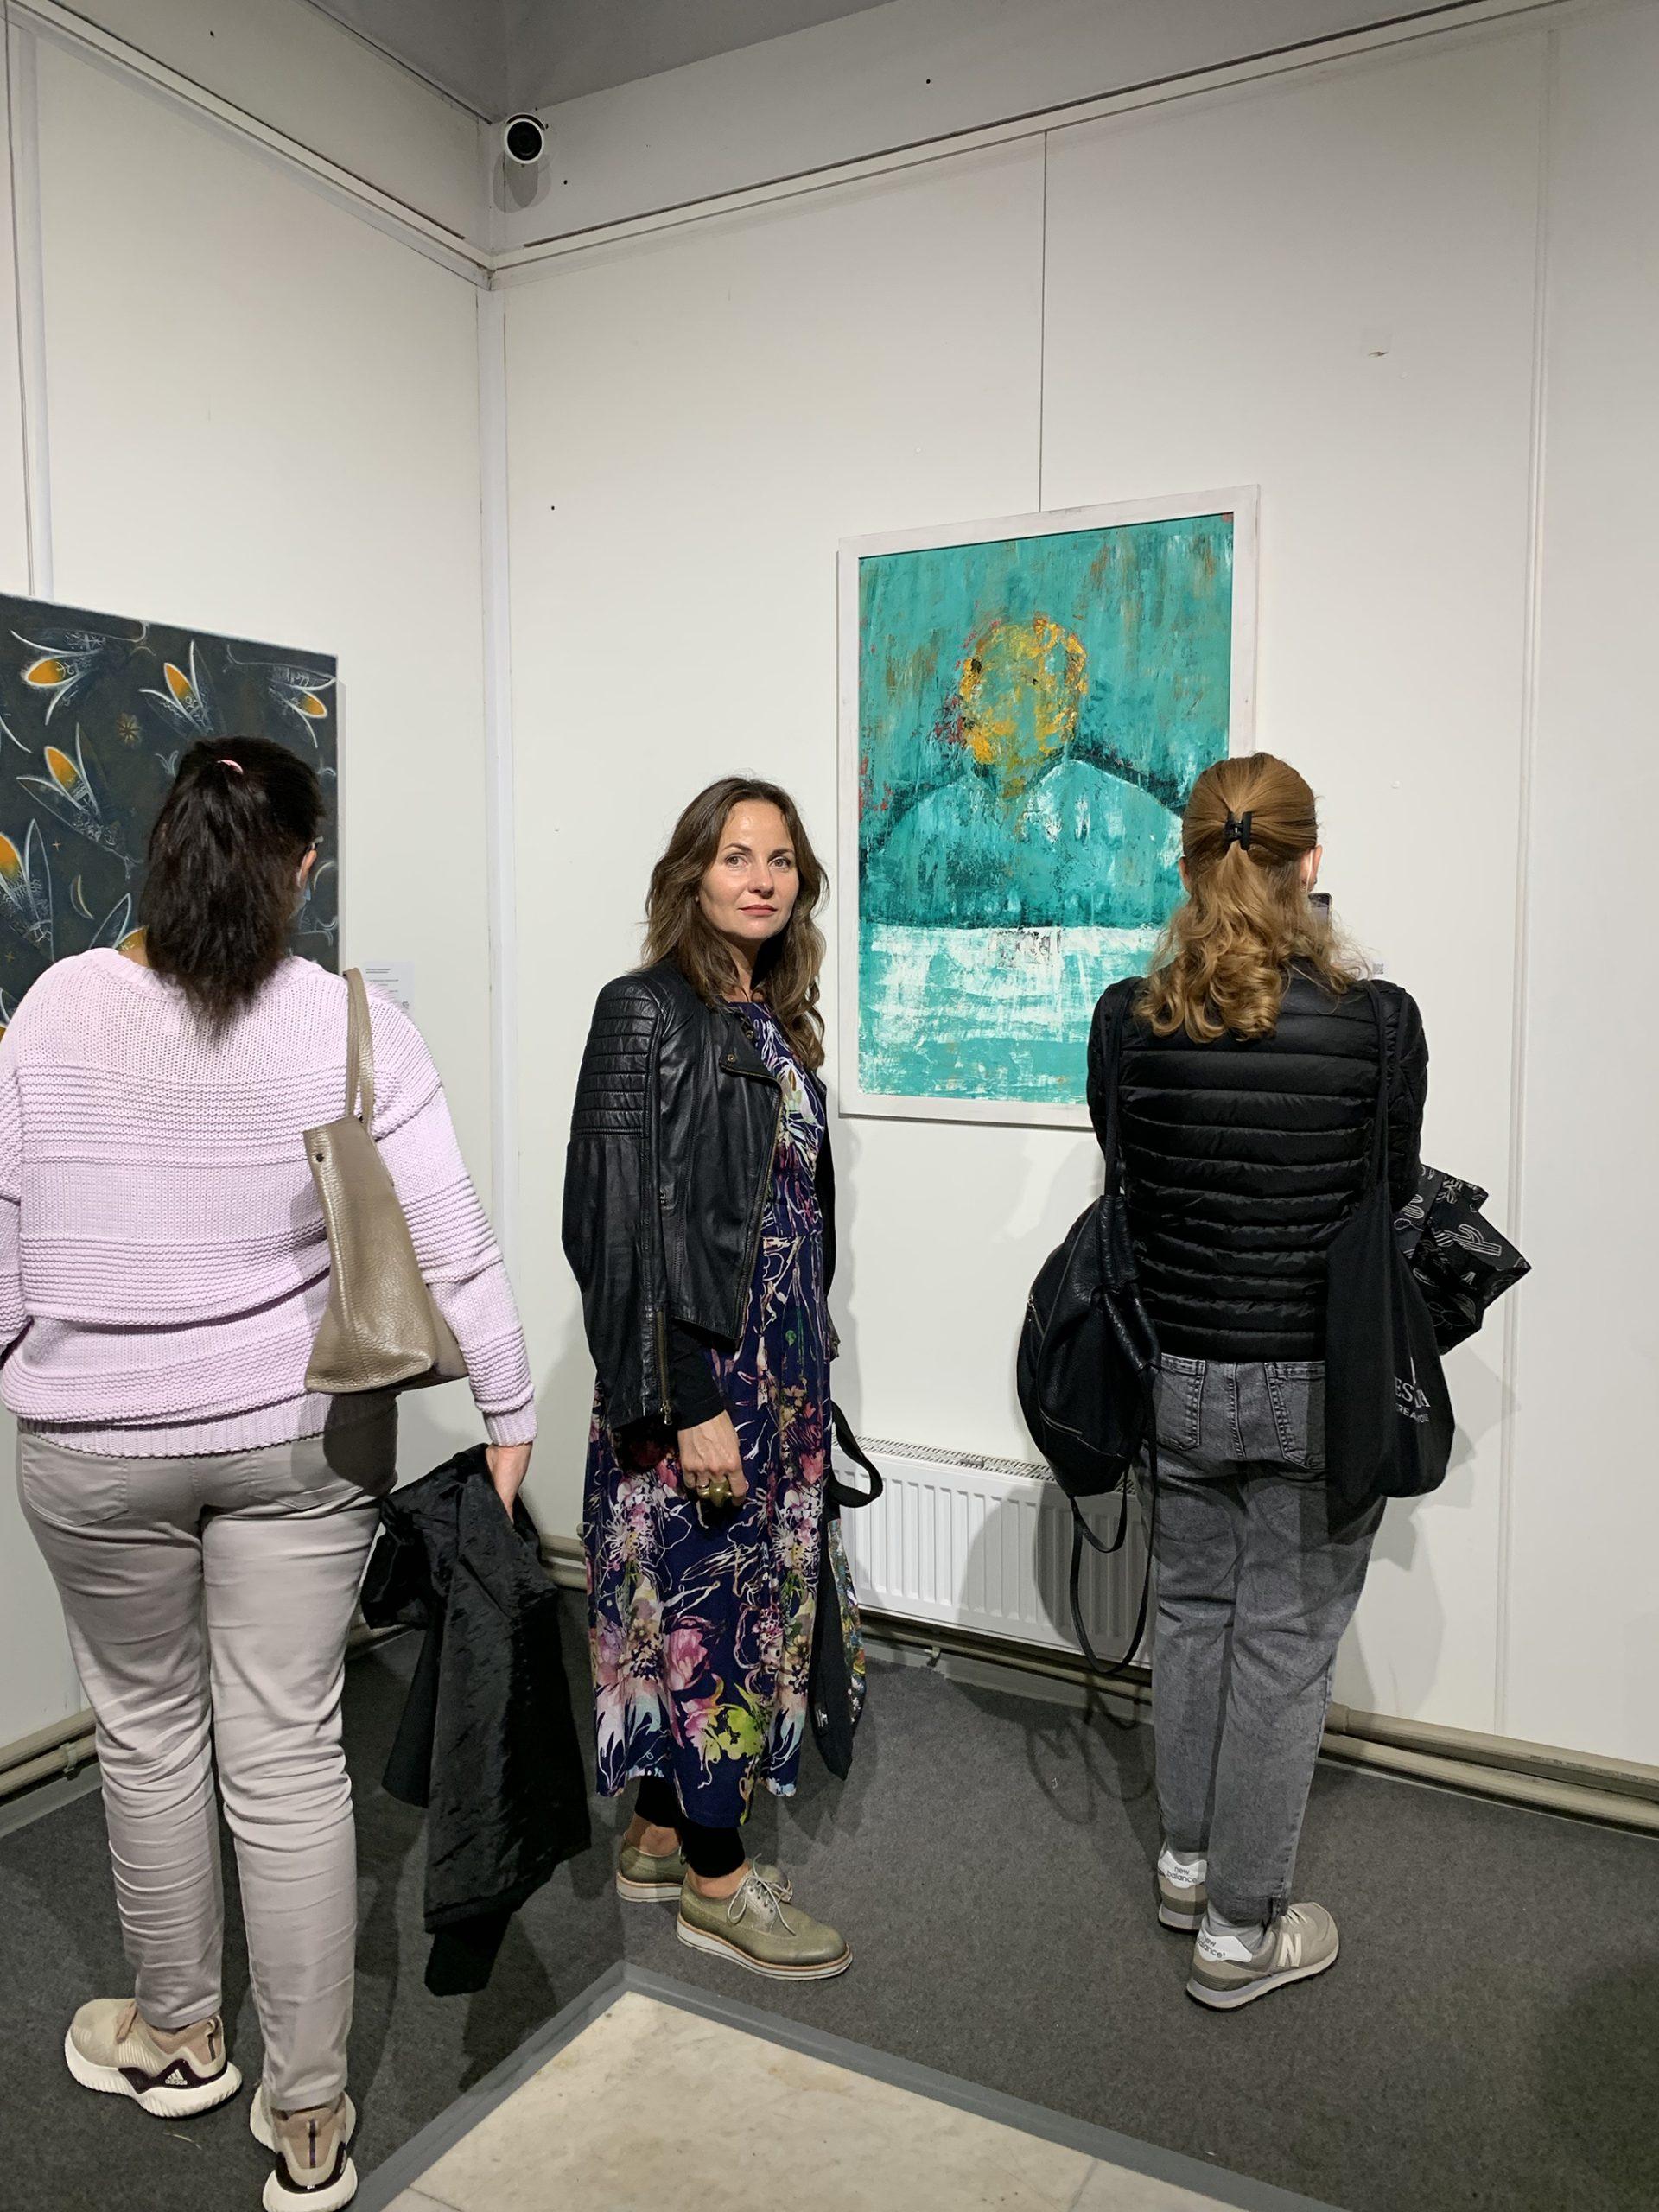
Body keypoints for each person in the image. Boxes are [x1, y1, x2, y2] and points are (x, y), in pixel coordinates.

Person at [4, 738, 536, 2212]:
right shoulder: (350, 1021)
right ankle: (309, 2116)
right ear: (303, 867)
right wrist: (507, 1407)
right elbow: (451, 1238)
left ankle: (179, 2035)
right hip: (302, 1439)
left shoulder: (53, 1008)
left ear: (164, 849)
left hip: (94, 1447)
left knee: (146, 1733)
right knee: (290, 1751)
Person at [1087, 752, 1427, 2012]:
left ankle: (1185, 1866)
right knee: (1282, 1651)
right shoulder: (1380, 1024)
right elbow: (1390, 1192)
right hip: (1314, 1384)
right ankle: (1239, 1934)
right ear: (1311, 861)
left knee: (1188, 1618)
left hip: (1177, 1371)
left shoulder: (1127, 1018)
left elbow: (1126, 1174)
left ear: (1187, 863)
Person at [563, 775, 858, 1981]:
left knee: (719, 1609)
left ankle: (654, 1833)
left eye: (780, 860)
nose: (762, 879)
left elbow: (784, 1216)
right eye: (737, 856)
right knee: (705, 1624)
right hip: (698, 1380)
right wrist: (689, 1402)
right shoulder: (644, 1011)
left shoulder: (773, 1023)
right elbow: (615, 1224)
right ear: (692, 875)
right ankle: (719, 1883)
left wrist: (805, 1372)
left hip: (779, 1377)